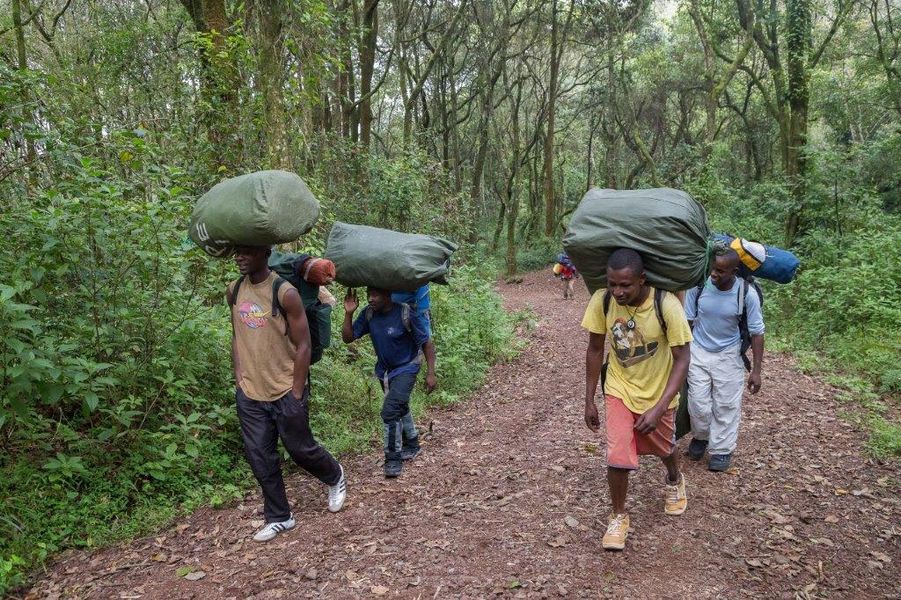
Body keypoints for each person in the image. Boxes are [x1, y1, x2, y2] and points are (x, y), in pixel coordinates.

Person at [228, 245, 346, 543]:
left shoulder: (285, 293)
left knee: (300, 449)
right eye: (236, 252)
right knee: (260, 456)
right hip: (251, 391)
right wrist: (239, 378)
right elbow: (236, 336)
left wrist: (296, 390)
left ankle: (334, 475)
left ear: (264, 253)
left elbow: (304, 344)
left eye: (246, 252)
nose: (239, 256)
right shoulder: (234, 290)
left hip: (284, 386)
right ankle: (280, 516)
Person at [582, 248, 692, 551]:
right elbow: (594, 349)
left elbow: (682, 359)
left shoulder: (666, 305)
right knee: (618, 453)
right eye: (612, 284)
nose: (617, 291)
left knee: (662, 447)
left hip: (659, 391)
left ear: (641, 280)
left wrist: (658, 408)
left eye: (625, 285)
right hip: (619, 387)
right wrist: (589, 399)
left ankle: (674, 478)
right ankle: (618, 517)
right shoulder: (602, 301)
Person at [342, 287, 437, 477]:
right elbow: (348, 338)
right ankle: (412, 443)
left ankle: (393, 459)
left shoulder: (405, 312)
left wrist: (431, 373)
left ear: (388, 295)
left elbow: (426, 342)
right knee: (400, 406)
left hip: (408, 366)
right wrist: (348, 313)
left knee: (390, 411)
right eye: (369, 294)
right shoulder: (369, 314)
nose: (370, 299)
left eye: (375, 295)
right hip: (385, 371)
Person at [684, 248, 764, 472]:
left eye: (720, 271)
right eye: (712, 269)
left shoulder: (746, 293)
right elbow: (687, 322)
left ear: (734, 271)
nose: (713, 275)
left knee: (726, 405)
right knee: (697, 403)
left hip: (729, 354)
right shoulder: (698, 288)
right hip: (698, 350)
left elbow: (757, 332)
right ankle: (701, 436)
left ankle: (721, 450)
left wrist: (756, 371)